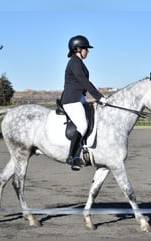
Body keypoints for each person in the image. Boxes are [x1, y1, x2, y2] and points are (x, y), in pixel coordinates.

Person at [61, 35, 107, 171]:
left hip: (79, 98)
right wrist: (99, 97)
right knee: (82, 125)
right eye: (86, 48)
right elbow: (84, 82)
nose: (88, 51)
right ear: (78, 49)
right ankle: (72, 157)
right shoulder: (74, 62)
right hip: (71, 100)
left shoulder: (79, 62)